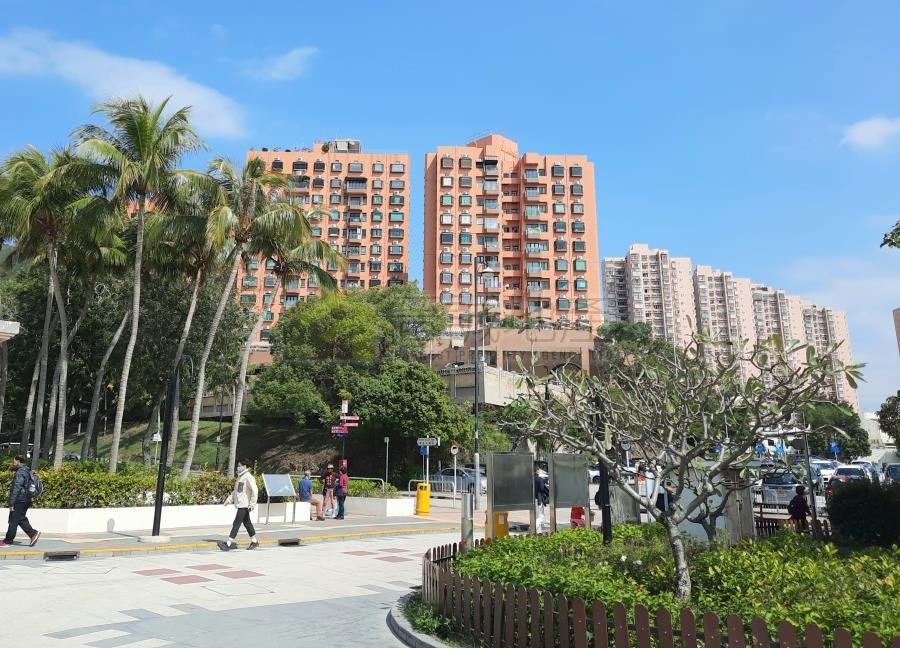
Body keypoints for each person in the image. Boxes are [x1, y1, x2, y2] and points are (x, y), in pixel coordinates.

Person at [218, 459, 259, 551]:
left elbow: (255, 490)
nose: (238, 467)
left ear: (245, 466)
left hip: (244, 505)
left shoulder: (248, 477)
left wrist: (252, 504)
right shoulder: (241, 477)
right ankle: (255, 541)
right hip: (241, 504)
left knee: (236, 523)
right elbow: (237, 491)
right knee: (247, 523)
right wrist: (229, 500)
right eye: (238, 465)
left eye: (240, 465)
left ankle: (228, 544)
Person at [2, 456, 40, 547]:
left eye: (14, 462)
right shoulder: (27, 470)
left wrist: (12, 502)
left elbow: (17, 488)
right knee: (20, 518)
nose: (13, 463)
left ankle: (8, 541)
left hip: (19, 499)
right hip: (25, 499)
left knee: (13, 520)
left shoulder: (20, 472)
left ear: (18, 461)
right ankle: (33, 534)